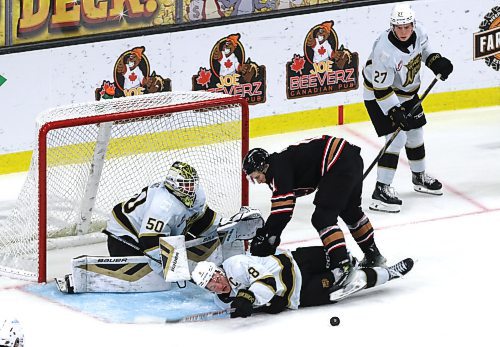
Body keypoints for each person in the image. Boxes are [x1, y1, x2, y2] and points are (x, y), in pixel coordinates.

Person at [242, 136, 386, 290]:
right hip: (348, 157)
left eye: (257, 176)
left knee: (322, 219)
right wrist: (269, 234)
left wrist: (267, 236)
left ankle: (343, 267)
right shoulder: (279, 164)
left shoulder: (277, 169)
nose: (258, 181)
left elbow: (283, 211)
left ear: (264, 166)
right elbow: (282, 209)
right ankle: (373, 256)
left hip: (338, 161)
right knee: (351, 212)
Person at [362, 4, 453, 213]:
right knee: (397, 138)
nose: (403, 31)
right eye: (399, 27)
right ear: (392, 26)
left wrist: (436, 61)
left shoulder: (419, 31)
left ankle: (419, 177)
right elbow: (380, 89)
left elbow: (425, 51)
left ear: (413, 24)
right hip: (379, 95)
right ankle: (381, 190)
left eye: (407, 26)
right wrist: (394, 111)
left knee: (416, 134)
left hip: (406, 92)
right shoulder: (384, 50)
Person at [191, 247, 414, 318]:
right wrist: (243, 308)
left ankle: (348, 264)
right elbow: (252, 307)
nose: (218, 285)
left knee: (342, 257)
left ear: (219, 270)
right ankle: (389, 274)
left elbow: (266, 280)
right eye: (212, 286)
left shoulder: (235, 264)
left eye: (216, 278)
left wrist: (248, 297)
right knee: (350, 286)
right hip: (298, 296)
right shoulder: (223, 302)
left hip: (295, 263)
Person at [103, 161, 225, 274]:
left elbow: (201, 219)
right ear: (173, 184)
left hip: (153, 227)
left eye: (192, 184)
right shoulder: (162, 206)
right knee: (139, 269)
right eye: (186, 185)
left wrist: (222, 228)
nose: (191, 189)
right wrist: (174, 270)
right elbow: (150, 242)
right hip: (125, 230)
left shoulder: (197, 194)